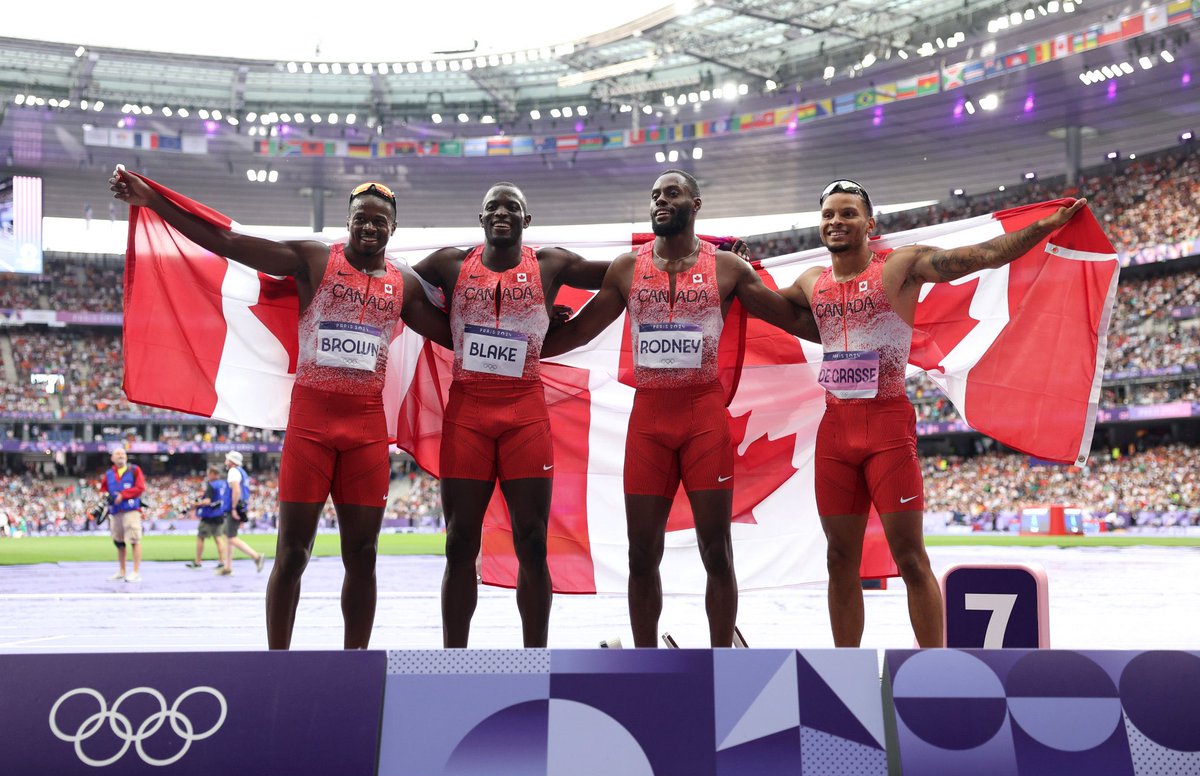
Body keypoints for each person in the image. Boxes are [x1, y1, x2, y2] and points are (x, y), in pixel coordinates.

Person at [110, 170, 453, 649]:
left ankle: (355, 661)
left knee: (364, 553)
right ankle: (279, 662)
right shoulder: (313, 258)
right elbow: (227, 241)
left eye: (379, 222)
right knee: (292, 553)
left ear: (393, 229)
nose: (369, 228)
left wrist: (539, 331)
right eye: (361, 218)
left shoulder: (404, 284)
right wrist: (155, 201)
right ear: (348, 221)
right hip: (310, 429)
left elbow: (455, 335)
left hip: (366, 434)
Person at [774, 178, 1085, 647]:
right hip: (834, 433)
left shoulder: (899, 267)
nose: (837, 221)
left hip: (887, 428)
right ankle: (845, 669)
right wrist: (733, 265)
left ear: (869, 224)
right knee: (839, 557)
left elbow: (981, 256)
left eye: (848, 213)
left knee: (910, 557)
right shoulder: (810, 282)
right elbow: (759, 303)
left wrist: (1043, 226)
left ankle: (934, 667)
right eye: (829, 215)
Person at [542, 169, 818, 647]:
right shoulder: (627, 269)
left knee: (717, 551)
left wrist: (849, 328)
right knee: (641, 553)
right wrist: (524, 342)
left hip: (703, 420)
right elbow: (579, 332)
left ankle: (719, 659)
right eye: (654, 195)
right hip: (648, 421)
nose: (660, 201)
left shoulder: (728, 268)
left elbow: (788, 317)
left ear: (696, 204)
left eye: (672, 193)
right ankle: (648, 662)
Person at [411, 181, 611, 648]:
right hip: (467, 417)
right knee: (459, 542)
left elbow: (626, 272)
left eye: (512, 207)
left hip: (525, 416)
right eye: (493, 207)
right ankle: (453, 658)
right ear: (480, 219)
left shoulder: (551, 264)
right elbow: (388, 280)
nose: (502, 212)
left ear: (527, 220)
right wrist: (450, 331)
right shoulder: (449, 264)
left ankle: (534, 658)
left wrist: (709, 250)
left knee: (533, 543)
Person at [100, 447, 146, 582]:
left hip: (130, 509)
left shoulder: (134, 470)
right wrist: (105, 496)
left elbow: (140, 488)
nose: (120, 455)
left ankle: (136, 571)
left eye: (122, 453)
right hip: (115, 511)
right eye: (117, 454)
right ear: (112, 458)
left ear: (126, 457)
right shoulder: (109, 474)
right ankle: (122, 571)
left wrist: (123, 495)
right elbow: (103, 489)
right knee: (119, 541)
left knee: (134, 539)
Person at [221, 451, 265, 574]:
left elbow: (236, 490)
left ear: (231, 461)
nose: (225, 461)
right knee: (229, 537)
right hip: (240, 507)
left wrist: (234, 508)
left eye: (227, 459)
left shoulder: (233, 471)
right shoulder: (242, 472)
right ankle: (227, 567)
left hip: (233, 508)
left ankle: (256, 557)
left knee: (231, 538)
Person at [191, 465, 231, 574]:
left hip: (209, 515)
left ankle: (198, 562)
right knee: (219, 538)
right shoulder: (224, 484)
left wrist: (196, 504)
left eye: (209, 473)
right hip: (220, 514)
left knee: (200, 537)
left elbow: (207, 501)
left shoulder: (211, 485)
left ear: (213, 474)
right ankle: (222, 561)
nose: (208, 476)